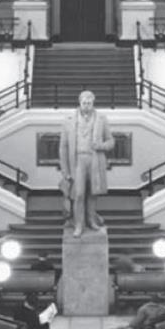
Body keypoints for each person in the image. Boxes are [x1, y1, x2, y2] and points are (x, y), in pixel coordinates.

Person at [59, 90, 114, 238]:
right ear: (79, 102)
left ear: (93, 103)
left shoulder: (102, 119)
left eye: (89, 103)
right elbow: (63, 147)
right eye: (84, 103)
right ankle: (78, 224)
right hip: (77, 160)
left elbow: (111, 141)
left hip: (94, 160)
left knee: (92, 193)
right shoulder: (69, 120)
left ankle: (91, 220)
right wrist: (65, 170)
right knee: (79, 194)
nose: (86, 106)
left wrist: (100, 146)